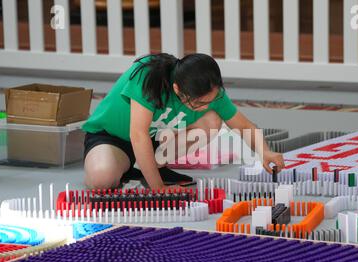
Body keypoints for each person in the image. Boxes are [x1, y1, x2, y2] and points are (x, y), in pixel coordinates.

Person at [82, 53, 285, 190]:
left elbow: (244, 126)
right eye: (198, 103)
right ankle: (139, 168)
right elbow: (138, 135)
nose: (205, 106)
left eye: (212, 100)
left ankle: (152, 166)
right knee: (102, 179)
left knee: (213, 120)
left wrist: (264, 151)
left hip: (155, 140)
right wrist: (158, 188)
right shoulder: (149, 76)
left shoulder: (211, 91)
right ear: (178, 89)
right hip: (112, 137)